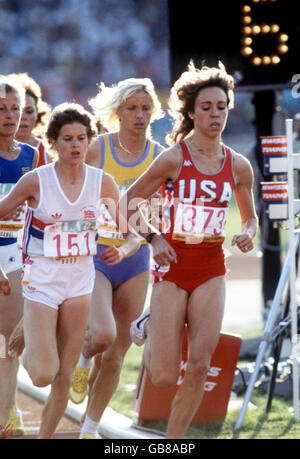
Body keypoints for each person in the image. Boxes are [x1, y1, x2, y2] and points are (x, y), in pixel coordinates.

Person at [123, 61, 259, 439]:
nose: (215, 115)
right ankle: (149, 324)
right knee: (165, 376)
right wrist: (154, 238)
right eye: (207, 107)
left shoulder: (239, 166)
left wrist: (248, 232)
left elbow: (250, 219)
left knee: (198, 365)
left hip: (212, 266)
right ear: (191, 112)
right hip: (172, 265)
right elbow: (127, 203)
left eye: (221, 107)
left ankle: (174, 442)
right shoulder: (173, 159)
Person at [1, 102, 140, 439]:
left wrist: (121, 251)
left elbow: (134, 232)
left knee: (65, 374)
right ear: (54, 143)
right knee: (43, 375)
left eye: (81, 138)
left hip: (79, 283)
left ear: (89, 141)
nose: (76, 145)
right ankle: (28, 330)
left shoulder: (102, 182)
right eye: (67, 139)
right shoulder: (36, 181)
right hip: (41, 282)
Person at [69, 78, 164, 439]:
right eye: (131, 108)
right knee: (103, 335)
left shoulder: (159, 156)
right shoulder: (97, 150)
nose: (139, 115)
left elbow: (160, 210)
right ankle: (81, 359)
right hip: (95, 255)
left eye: (145, 108)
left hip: (135, 257)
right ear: (117, 112)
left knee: (118, 353)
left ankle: (89, 429)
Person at [0, 75, 38, 437]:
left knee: (9, 342)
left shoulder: (31, 156)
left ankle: (5, 420)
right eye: (1, 109)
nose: (10, 116)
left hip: (13, 254)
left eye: (16, 109)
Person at [12, 72, 52, 166]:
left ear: (38, 113)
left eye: (29, 111)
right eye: (16, 109)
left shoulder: (50, 150)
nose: (23, 117)